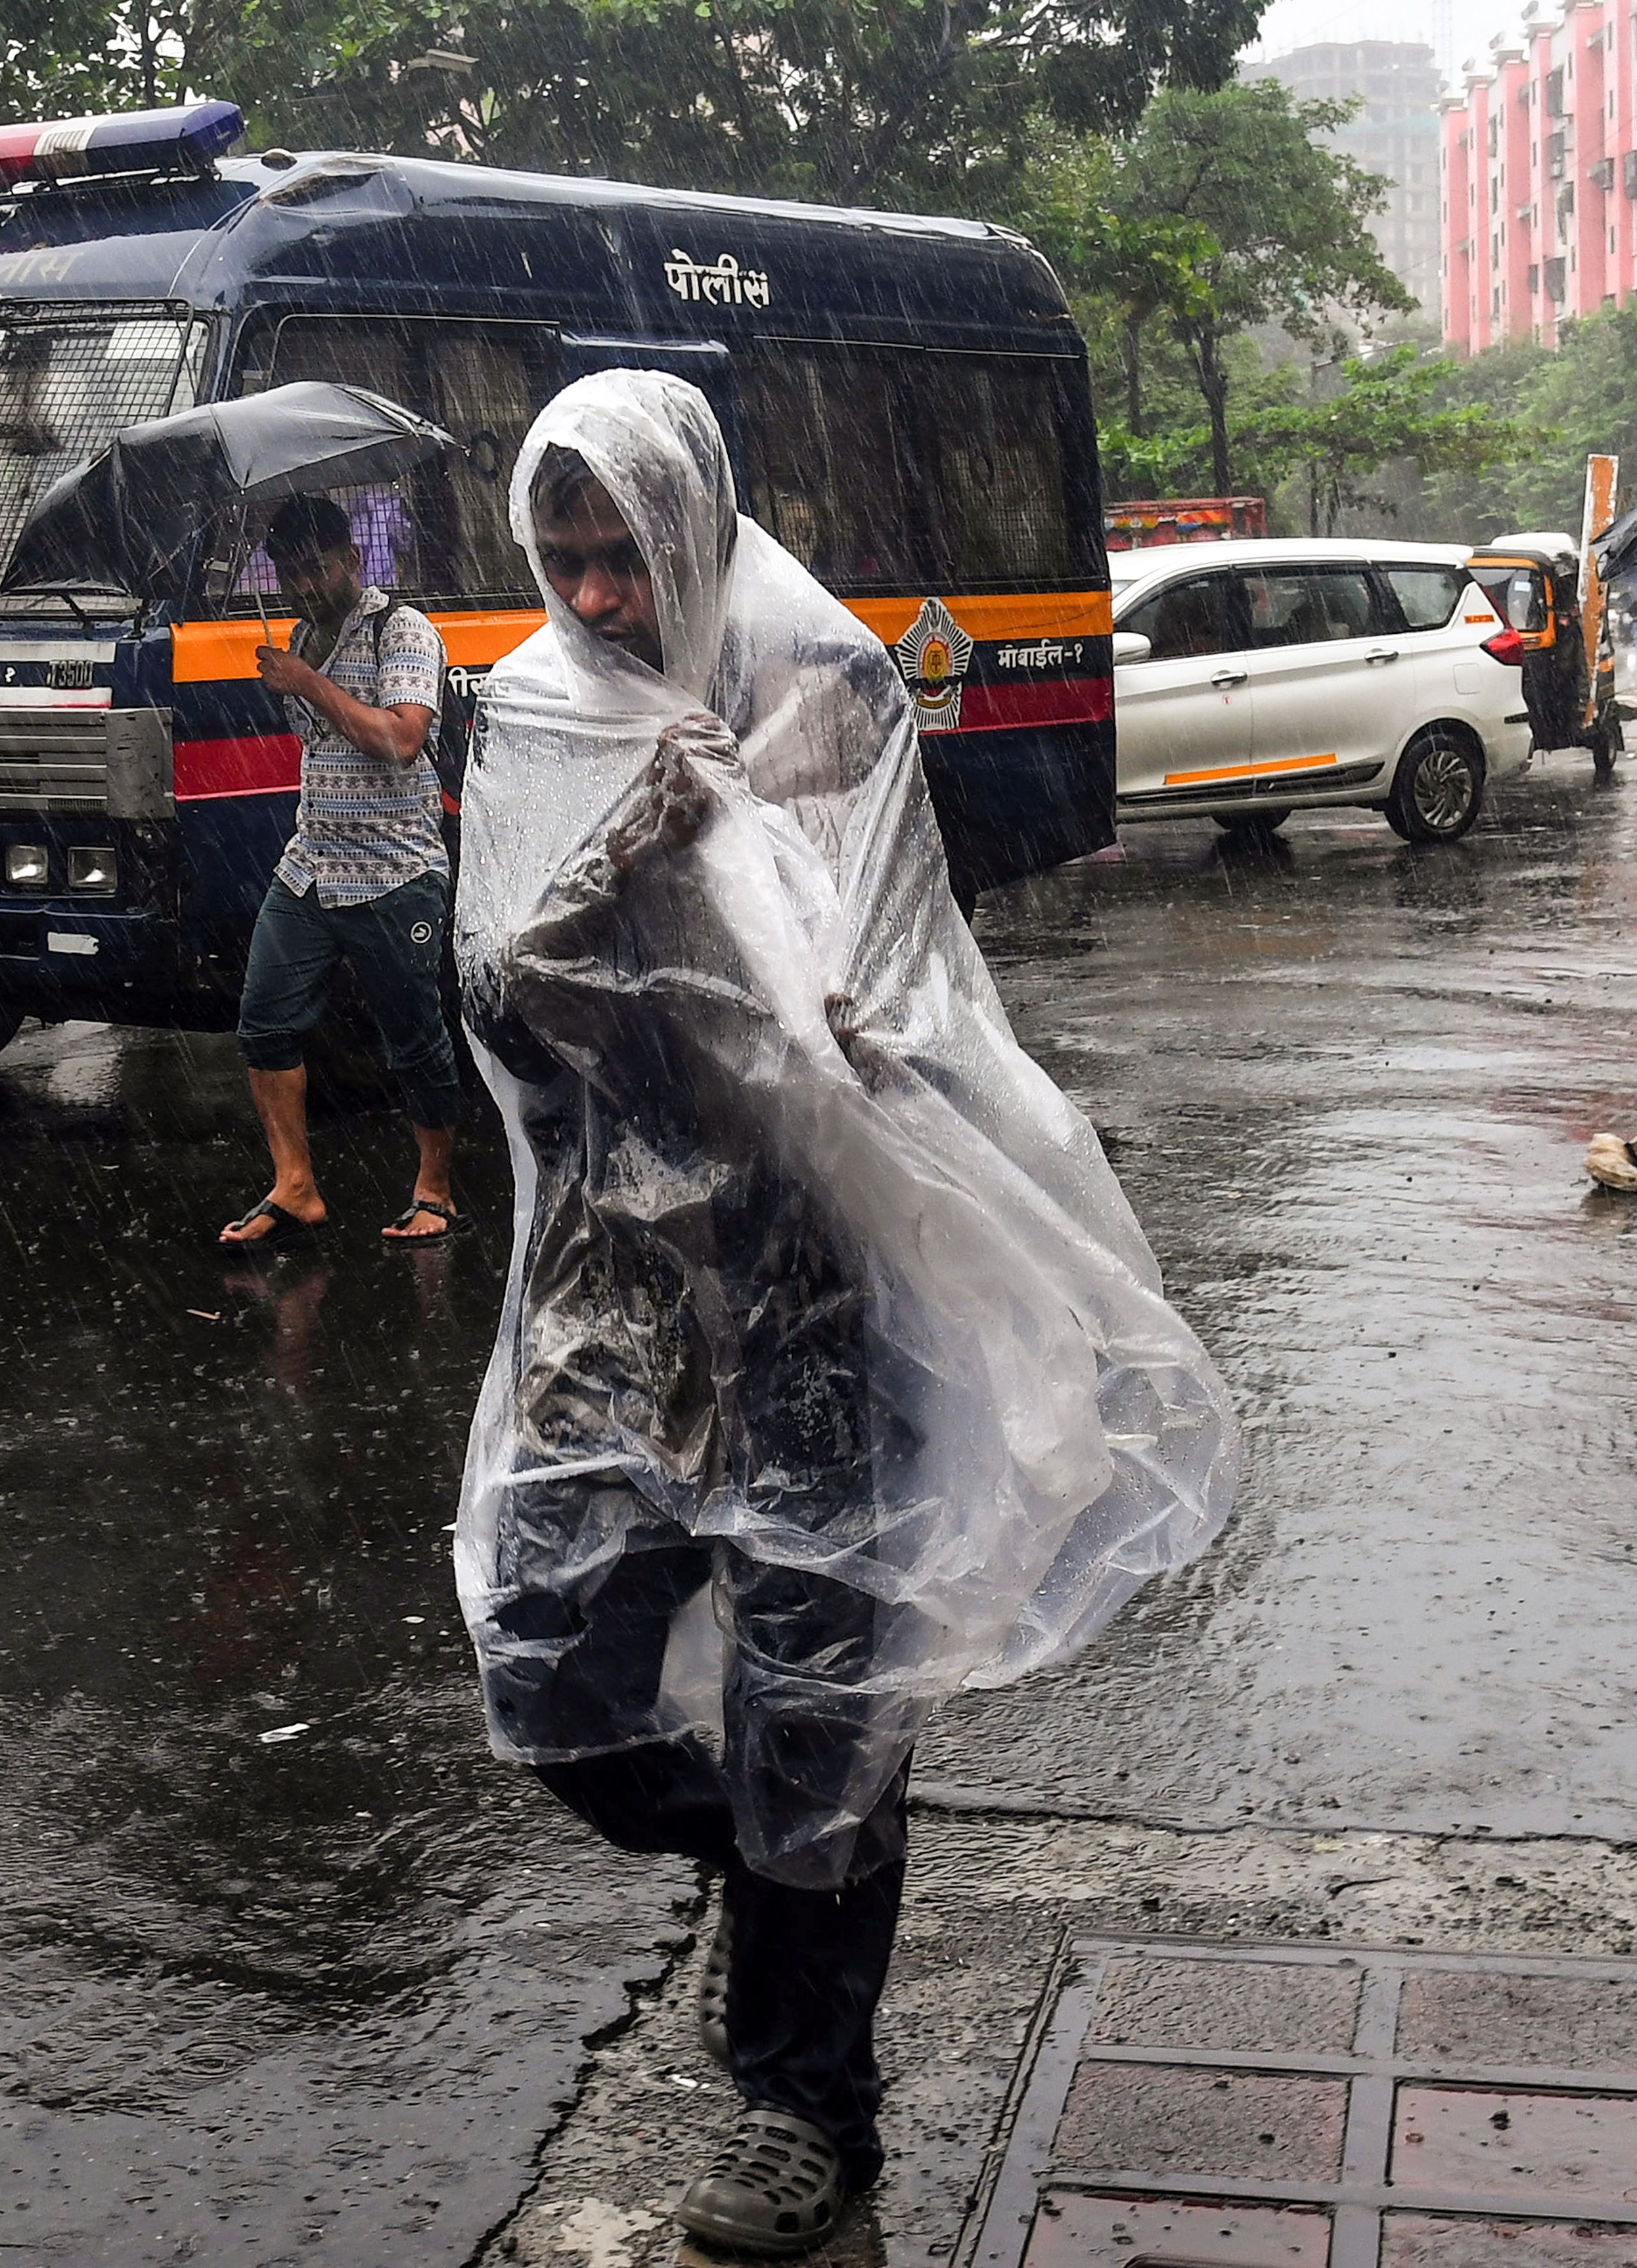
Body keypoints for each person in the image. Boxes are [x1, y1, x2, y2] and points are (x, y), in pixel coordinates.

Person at [453, 371, 1234, 2258]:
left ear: (693, 525)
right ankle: (780, 1867)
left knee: (824, 1719)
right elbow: (494, 991)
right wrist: (624, 851)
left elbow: (862, 1015)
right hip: (613, 1299)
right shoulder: (532, 711)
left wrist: (723, 870)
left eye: (620, 554)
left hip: (820, 1289)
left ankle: (811, 2103)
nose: (593, 593)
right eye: (560, 556)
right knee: (552, 1677)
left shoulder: (835, 691)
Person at [219, 493, 465, 1248]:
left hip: (395, 867)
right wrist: (298, 675)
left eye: (315, 567)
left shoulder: (404, 631)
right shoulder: (299, 634)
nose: (302, 584)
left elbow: (399, 738)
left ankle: (436, 1189)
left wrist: (309, 683)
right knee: (264, 1018)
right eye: (288, 571)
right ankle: (294, 1186)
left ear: (353, 559)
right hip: (312, 864)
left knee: (414, 1034)